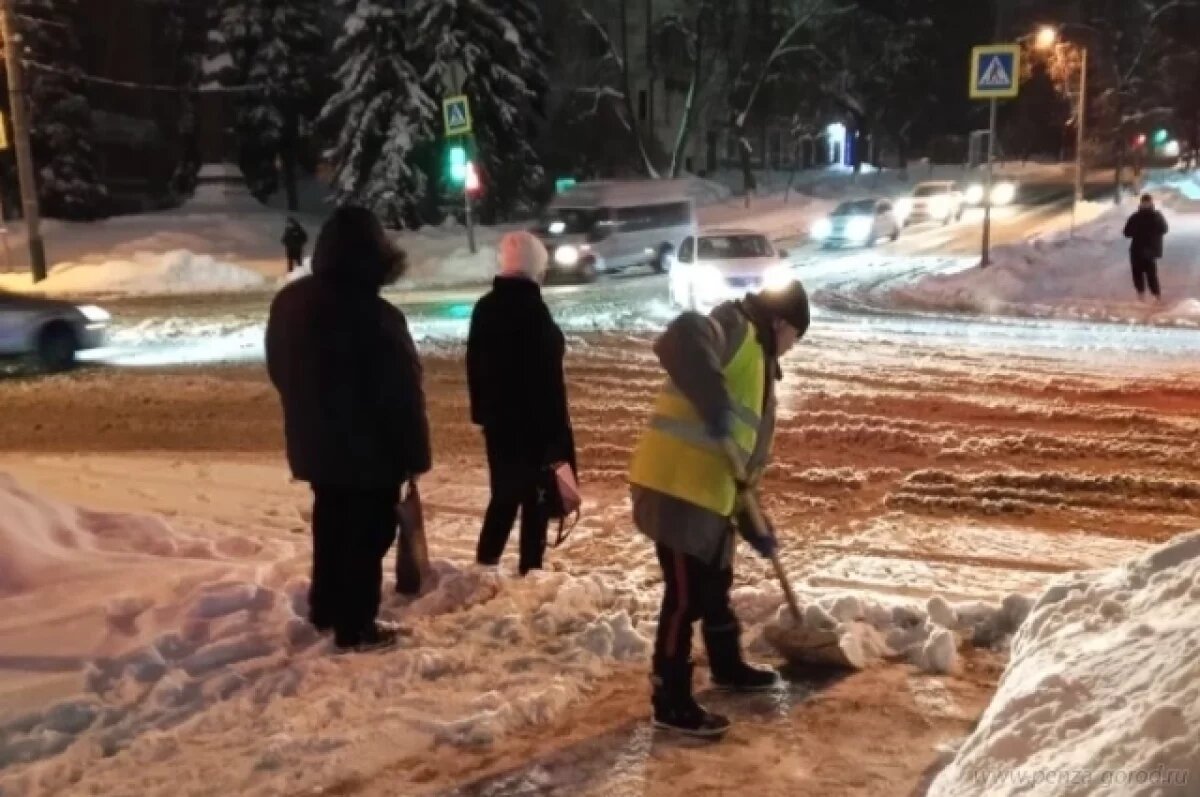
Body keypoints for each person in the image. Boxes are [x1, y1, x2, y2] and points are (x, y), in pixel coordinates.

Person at [628, 281, 811, 738]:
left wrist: (756, 525)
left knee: (716, 584)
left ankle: (728, 666)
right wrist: (711, 394)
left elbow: (742, 472)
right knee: (685, 597)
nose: (792, 348)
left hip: (710, 496)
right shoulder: (737, 326)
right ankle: (669, 698)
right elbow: (683, 334)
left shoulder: (762, 365)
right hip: (675, 490)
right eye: (796, 338)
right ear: (781, 323)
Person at [266, 206, 430, 653]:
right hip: (369, 452)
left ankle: (327, 607)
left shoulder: (291, 303)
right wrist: (414, 456)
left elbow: (278, 368)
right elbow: (402, 395)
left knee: (331, 521)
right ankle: (355, 625)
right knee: (368, 533)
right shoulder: (377, 316)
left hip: (315, 444)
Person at [467, 231, 575, 576]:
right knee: (536, 498)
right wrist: (558, 436)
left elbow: (475, 366)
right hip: (535, 425)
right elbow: (548, 383)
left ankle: (486, 562)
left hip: (498, 423)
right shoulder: (533, 312)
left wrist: (484, 413)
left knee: (503, 493)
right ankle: (531, 567)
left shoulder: (485, 307)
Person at [1123, 194, 1168, 302]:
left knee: (1151, 275)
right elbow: (1127, 232)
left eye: (1147, 203)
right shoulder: (1135, 216)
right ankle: (1141, 296)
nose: (1146, 205)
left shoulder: (1157, 215)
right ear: (1141, 203)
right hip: (1136, 249)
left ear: (1151, 203)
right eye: (1144, 203)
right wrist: (1137, 231)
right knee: (1137, 274)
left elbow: (1164, 229)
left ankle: (1157, 297)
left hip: (1150, 250)